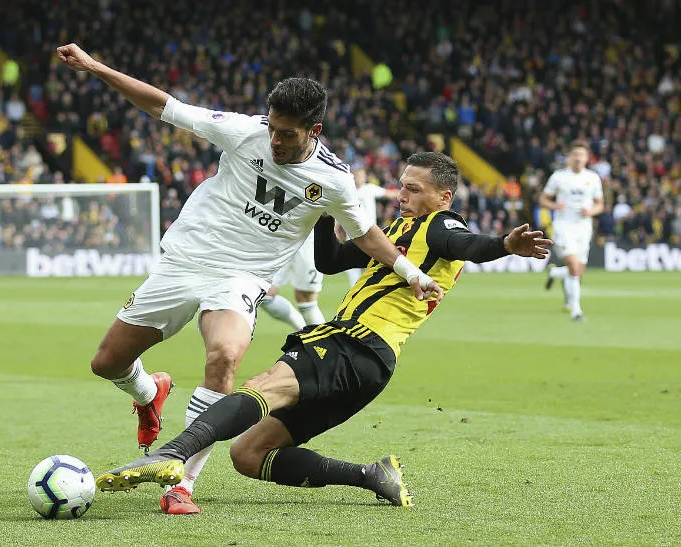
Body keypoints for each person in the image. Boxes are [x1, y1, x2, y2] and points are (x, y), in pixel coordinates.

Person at [56, 44, 441, 515]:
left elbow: (365, 235)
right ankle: (149, 394)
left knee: (224, 355)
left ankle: (181, 485)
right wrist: (94, 67)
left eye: (287, 134)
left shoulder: (334, 179)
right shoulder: (244, 132)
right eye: (272, 128)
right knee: (107, 363)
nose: (274, 140)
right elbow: (164, 106)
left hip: (240, 277)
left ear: (314, 131)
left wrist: (411, 273)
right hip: (184, 260)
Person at [94, 152, 551, 509]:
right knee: (249, 455)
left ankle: (172, 454)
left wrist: (504, 244)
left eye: (414, 189)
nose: (401, 195)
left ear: (444, 197)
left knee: (261, 387)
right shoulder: (399, 230)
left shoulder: (440, 225)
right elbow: (330, 261)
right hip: (371, 368)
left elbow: (467, 243)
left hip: (355, 343)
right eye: (401, 186)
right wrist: (323, 206)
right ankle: (372, 475)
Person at [539, 142, 604, 322]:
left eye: (581, 155)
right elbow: (543, 199)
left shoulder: (593, 178)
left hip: (584, 228)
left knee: (578, 271)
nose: (578, 158)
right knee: (574, 267)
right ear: (570, 157)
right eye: (575, 154)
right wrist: (555, 206)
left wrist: (590, 211)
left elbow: (600, 204)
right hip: (564, 226)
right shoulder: (559, 177)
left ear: (587, 158)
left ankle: (555, 273)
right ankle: (576, 311)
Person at [260, 232, 324, 331]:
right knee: (264, 294)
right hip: (278, 237)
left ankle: (321, 338)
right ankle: (303, 330)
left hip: (307, 237)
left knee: (306, 299)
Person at [346, 168, 399, 285]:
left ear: (365, 177)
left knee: (371, 264)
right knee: (352, 267)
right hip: (351, 233)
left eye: (361, 176)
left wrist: (405, 192)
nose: (359, 178)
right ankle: (355, 290)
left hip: (369, 233)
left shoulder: (369, 189)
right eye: (357, 176)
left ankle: (369, 288)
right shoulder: (348, 191)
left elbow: (388, 194)